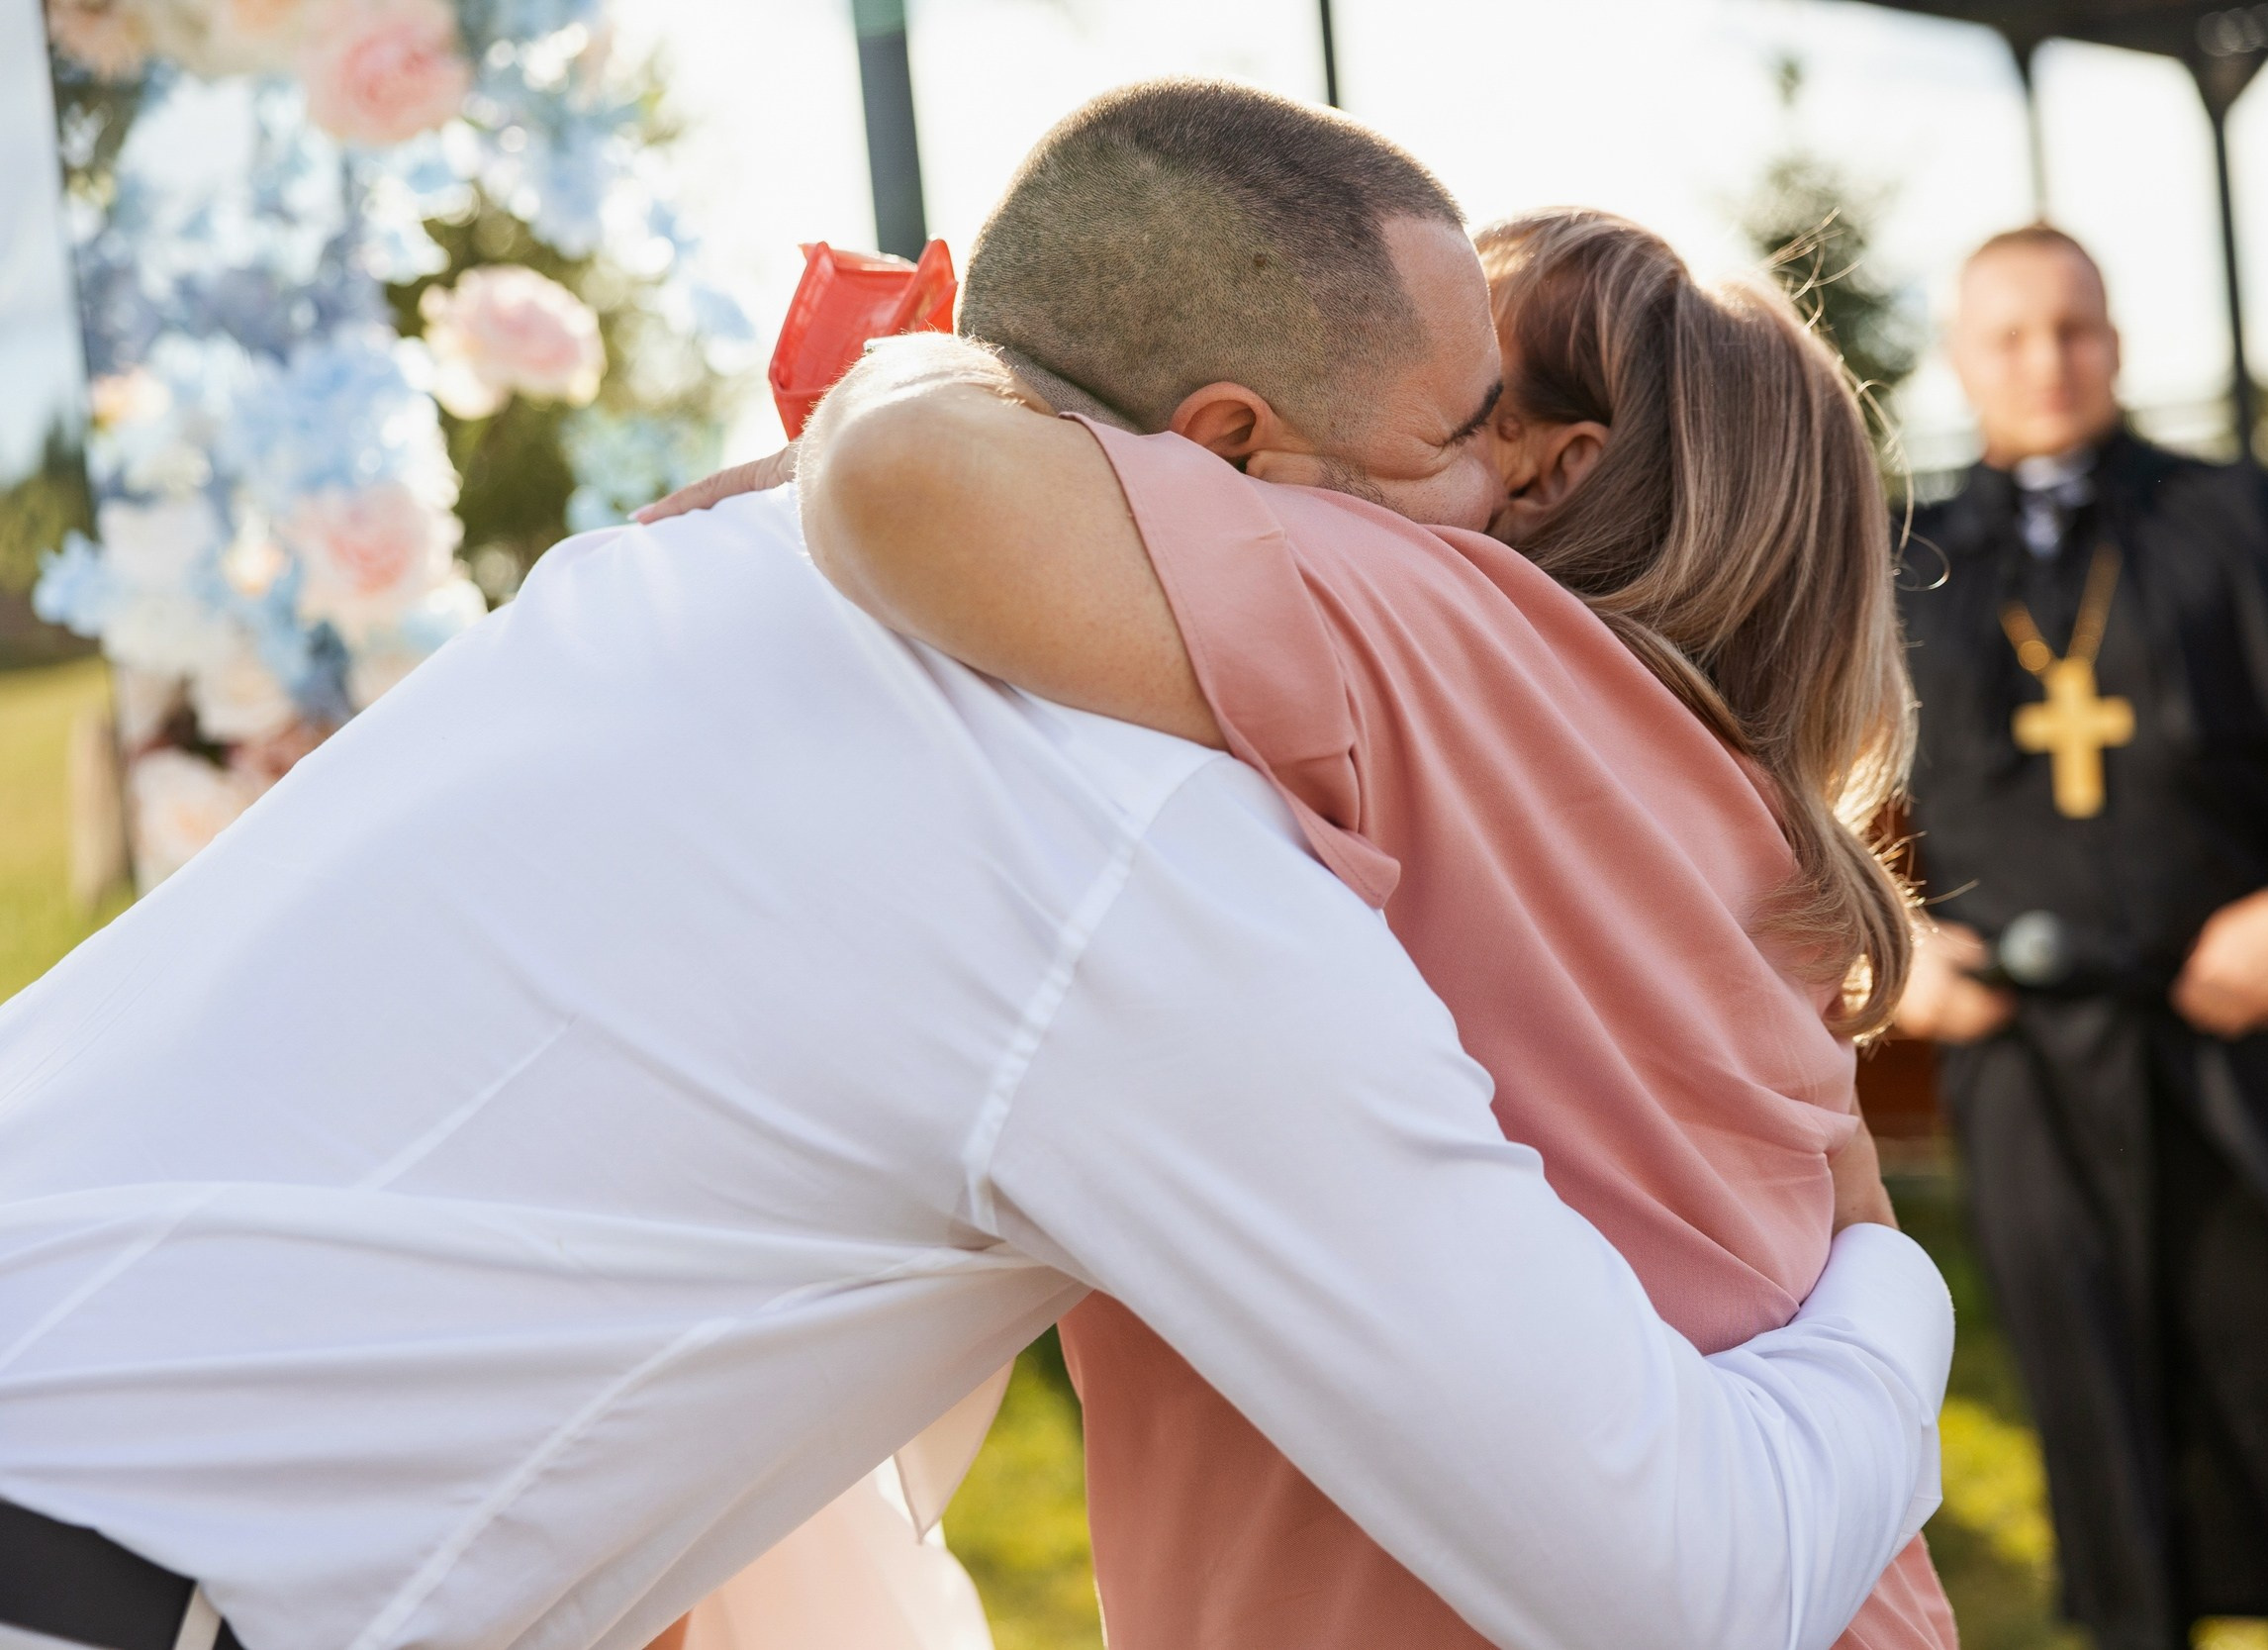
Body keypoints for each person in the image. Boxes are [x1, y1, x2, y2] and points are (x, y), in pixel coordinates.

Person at [0, 85, 1957, 1650]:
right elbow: (1679, 1583)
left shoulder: (677, 576)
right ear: (1239, 461)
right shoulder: (1136, 846)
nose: (1475, 514)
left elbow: (778, 1287)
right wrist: (1888, 1283)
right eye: (1453, 441)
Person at [651, 87, 1953, 1650]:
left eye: (1460, 408)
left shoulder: (1437, 626)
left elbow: (911, 481)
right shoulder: (1710, 789)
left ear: (1545, 474)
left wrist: (922, 383)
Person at [1891, 224, 2268, 1650]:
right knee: (2092, 1406)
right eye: (2012, 336)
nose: (2048, 360)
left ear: (2118, 344)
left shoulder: (2228, 516)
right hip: (2025, 1055)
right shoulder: (1903, 557)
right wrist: (1891, 951)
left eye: (2074, 329)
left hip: (2230, 1027)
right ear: (1964, 360)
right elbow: (1784, 786)